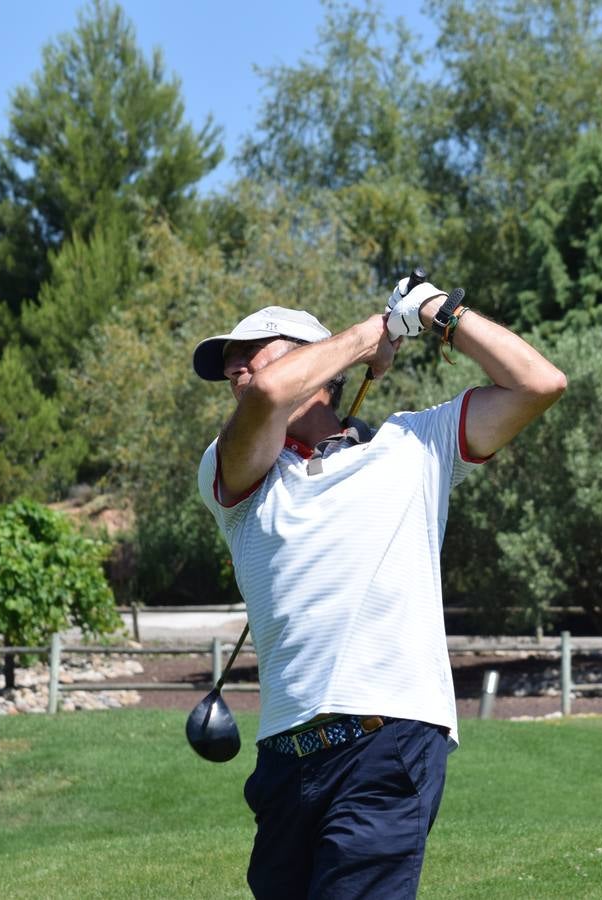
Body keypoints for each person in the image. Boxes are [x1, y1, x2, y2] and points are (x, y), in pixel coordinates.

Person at [193, 276, 566, 899]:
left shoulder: (415, 444)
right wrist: (381, 330)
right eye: (230, 358)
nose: (234, 364)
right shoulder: (232, 468)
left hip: (387, 744)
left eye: (252, 346)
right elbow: (269, 393)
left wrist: (437, 313)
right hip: (285, 760)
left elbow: (539, 382)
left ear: (318, 358)